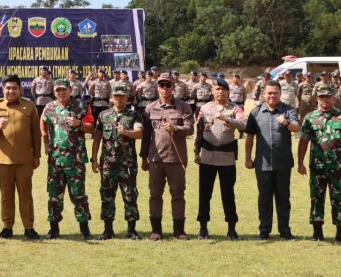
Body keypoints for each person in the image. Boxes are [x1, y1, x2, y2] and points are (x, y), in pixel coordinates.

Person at [297, 86, 341, 244]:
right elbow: (303, 141)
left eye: (328, 96)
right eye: (321, 97)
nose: (325, 99)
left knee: (338, 199)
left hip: (338, 167)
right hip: (317, 167)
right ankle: (317, 232)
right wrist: (300, 162)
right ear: (317, 99)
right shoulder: (310, 117)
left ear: (333, 97)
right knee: (316, 198)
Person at [0, 74, 41, 240]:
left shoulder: (29, 106)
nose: (11, 91)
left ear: (20, 89)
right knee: (6, 195)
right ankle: (7, 227)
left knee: (26, 194)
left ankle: (29, 227)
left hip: (25, 160)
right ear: (3, 89)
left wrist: (36, 156)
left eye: (14, 88)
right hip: (3, 159)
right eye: (8, 88)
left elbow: (35, 134)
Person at [141, 72, 194, 240]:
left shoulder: (183, 107)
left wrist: (175, 128)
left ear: (173, 87)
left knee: (178, 194)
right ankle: (156, 230)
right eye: (161, 85)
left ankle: (179, 230)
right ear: (157, 87)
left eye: (168, 85)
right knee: (155, 194)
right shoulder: (150, 108)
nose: (165, 88)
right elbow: (146, 135)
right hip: (156, 159)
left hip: (176, 159)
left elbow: (190, 128)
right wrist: (143, 157)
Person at [244, 80, 300, 240]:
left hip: (283, 163)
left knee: (283, 198)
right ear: (263, 94)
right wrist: (248, 158)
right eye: (269, 93)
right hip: (263, 163)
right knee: (264, 198)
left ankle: (285, 231)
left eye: (275, 92)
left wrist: (286, 122)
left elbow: (297, 128)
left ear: (280, 94)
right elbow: (249, 137)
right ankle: (264, 231)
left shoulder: (288, 110)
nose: (272, 95)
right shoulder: (255, 113)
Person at [194, 77, 246, 240]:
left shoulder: (235, 109)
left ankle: (232, 228)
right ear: (212, 91)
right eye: (217, 89)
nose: (220, 92)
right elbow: (199, 130)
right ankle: (203, 227)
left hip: (227, 158)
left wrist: (227, 119)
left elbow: (244, 124)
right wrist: (196, 151)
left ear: (228, 91)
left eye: (223, 89)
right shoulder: (204, 108)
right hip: (207, 157)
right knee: (205, 193)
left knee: (228, 194)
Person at [42, 78, 94, 240]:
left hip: (75, 159)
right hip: (55, 160)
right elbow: (42, 122)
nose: (61, 93)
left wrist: (79, 124)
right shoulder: (49, 107)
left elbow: (92, 128)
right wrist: (45, 140)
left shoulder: (81, 106)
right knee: (54, 195)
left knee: (78, 195)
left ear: (70, 90)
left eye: (64, 89)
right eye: (58, 90)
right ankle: (54, 228)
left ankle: (84, 228)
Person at [92, 84, 142, 240]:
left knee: (130, 195)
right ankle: (108, 230)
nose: (119, 99)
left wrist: (126, 132)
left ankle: (132, 230)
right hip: (107, 163)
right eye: (116, 96)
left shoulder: (134, 115)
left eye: (122, 96)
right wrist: (94, 159)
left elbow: (139, 133)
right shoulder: (103, 115)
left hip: (127, 163)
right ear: (111, 98)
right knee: (107, 195)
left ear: (127, 98)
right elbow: (97, 138)